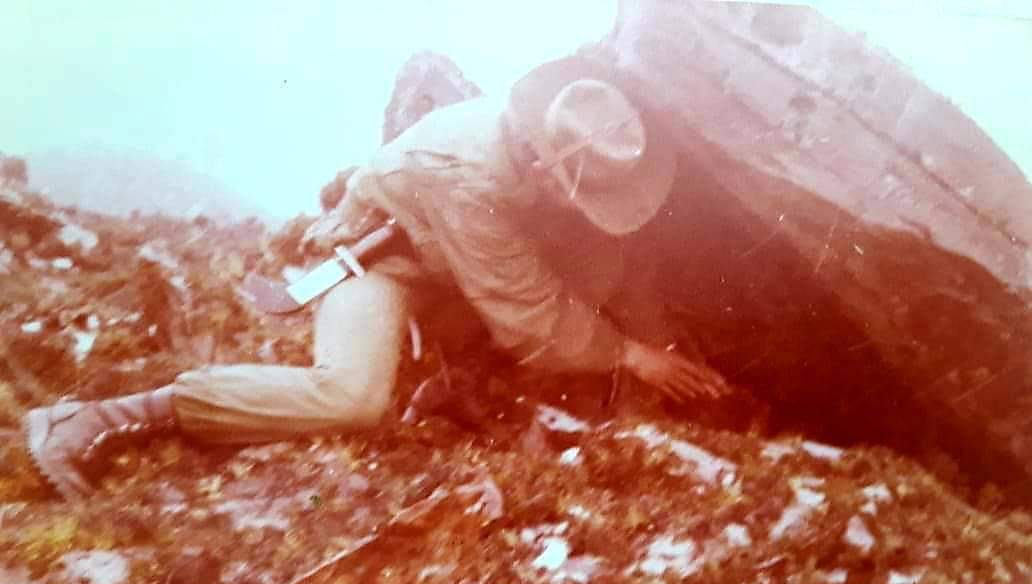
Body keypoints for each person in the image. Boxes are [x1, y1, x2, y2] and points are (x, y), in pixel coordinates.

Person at [23, 56, 730, 501]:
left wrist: (663, 348)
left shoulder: (545, 150)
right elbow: (529, 317)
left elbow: (624, 265)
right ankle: (105, 418)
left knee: (593, 272)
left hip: (458, 279)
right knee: (352, 397)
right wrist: (631, 356)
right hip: (378, 268)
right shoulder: (466, 175)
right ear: (549, 164)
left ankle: (455, 384)